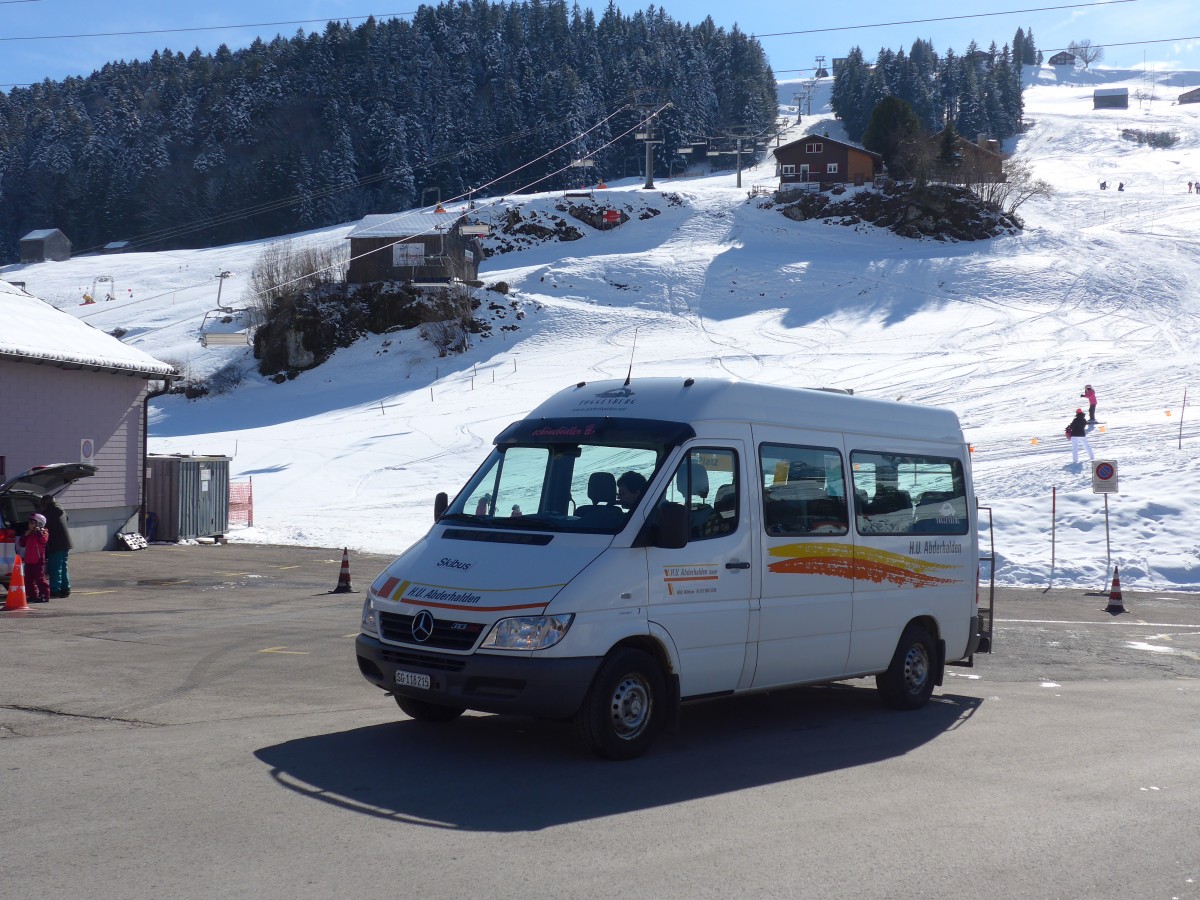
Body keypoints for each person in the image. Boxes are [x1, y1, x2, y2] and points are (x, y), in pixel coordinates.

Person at [40, 495, 73, 598]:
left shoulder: (48, 514)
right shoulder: (60, 509)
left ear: (46, 504)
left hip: (56, 543)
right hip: (66, 542)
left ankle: (55, 590)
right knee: (63, 567)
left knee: (55, 568)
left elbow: (41, 524)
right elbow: (67, 519)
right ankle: (65, 589)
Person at [17, 513, 51, 603]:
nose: (30, 525)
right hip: (28, 560)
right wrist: (25, 535)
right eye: (29, 523)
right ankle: (32, 595)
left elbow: (44, 540)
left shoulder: (43, 532)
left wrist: (38, 532)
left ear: (39, 523)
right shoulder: (29, 533)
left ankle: (44, 595)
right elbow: (21, 543)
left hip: (38, 560)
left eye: (32, 523)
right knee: (28, 579)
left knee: (39, 578)